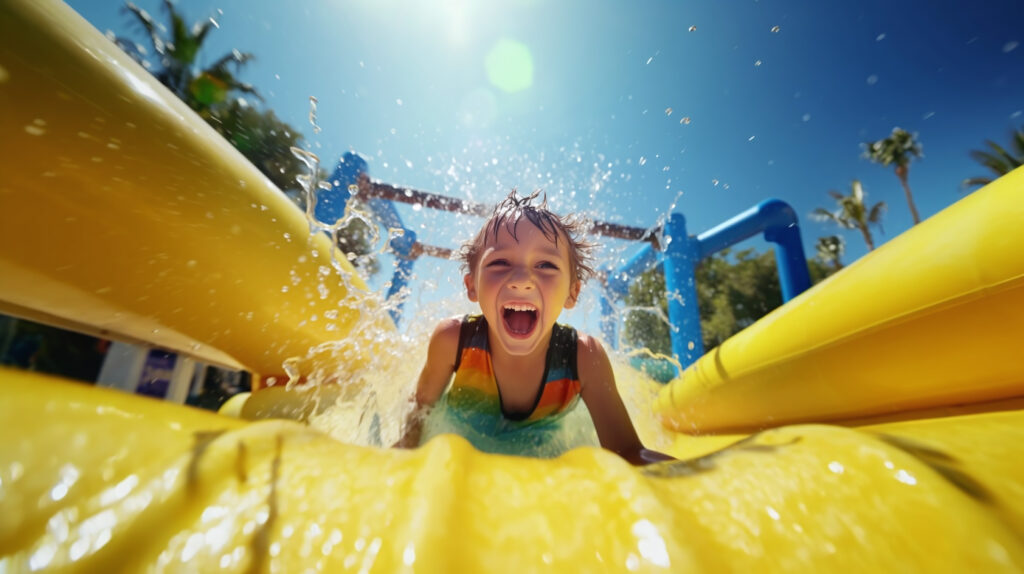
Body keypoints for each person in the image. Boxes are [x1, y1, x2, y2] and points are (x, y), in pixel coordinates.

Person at [396, 190, 672, 465]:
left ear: (572, 293)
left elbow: (627, 452)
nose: (522, 280)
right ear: (472, 286)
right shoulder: (453, 340)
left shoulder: (584, 358)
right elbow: (419, 412)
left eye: (546, 265)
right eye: (500, 262)